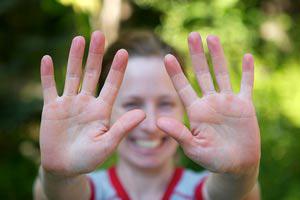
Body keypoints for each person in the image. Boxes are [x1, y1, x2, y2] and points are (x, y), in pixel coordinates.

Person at [34, 30, 261, 200]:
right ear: (106, 111)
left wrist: (241, 173)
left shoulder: (204, 190)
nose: (151, 125)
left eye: (165, 104)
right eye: (132, 103)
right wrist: (58, 176)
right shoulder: (90, 191)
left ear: (184, 109)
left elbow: (236, 190)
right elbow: (58, 192)